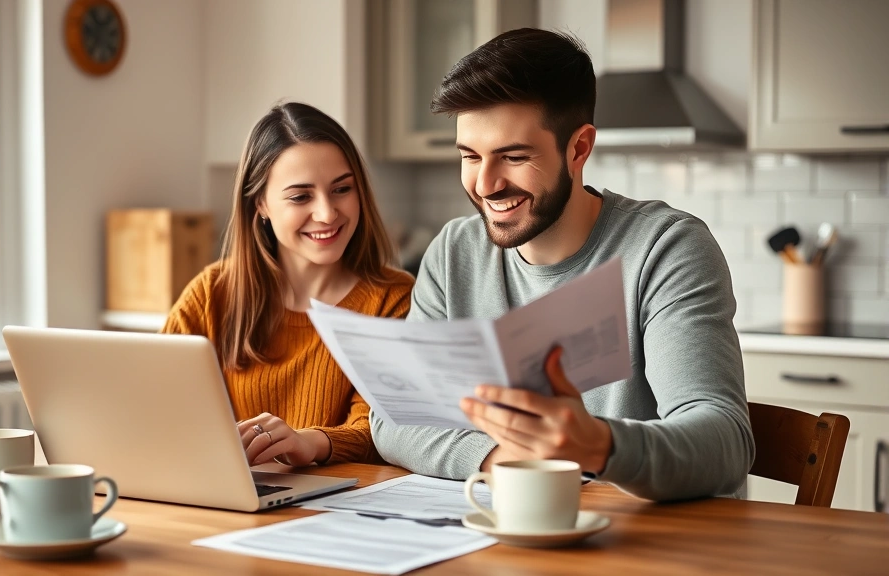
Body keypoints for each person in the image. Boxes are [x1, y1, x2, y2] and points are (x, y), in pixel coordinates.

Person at [370, 29, 754, 502]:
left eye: (513, 157)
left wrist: (596, 446)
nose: (485, 184)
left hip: (657, 547)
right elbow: (394, 416)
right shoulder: (454, 252)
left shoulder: (665, 248)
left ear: (578, 149)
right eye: (470, 156)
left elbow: (726, 442)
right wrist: (507, 457)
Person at [163, 102, 413, 468]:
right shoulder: (211, 293)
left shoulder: (392, 299)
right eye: (300, 196)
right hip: (225, 501)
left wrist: (308, 443)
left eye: (342, 189)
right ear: (260, 203)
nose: (327, 213)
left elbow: (383, 430)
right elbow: (156, 405)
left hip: (336, 510)